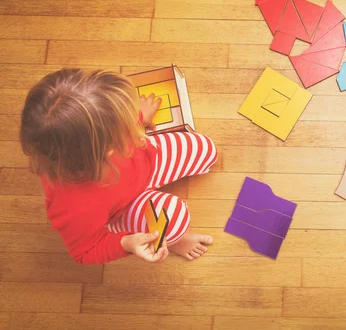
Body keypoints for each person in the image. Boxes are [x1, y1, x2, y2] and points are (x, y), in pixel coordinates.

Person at [19, 68, 218, 265]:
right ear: (105, 151)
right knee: (174, 218)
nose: (139, 135)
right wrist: (127, 243)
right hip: (123, 209)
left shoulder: (92, 140)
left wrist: (138, 117)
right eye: (126, 129)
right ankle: (177, 241)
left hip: (146, 164)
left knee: (206, 149)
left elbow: (107, 124)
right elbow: (85, 252)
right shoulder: (73, 208)